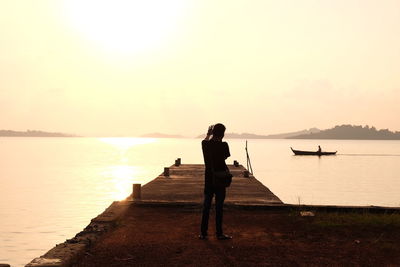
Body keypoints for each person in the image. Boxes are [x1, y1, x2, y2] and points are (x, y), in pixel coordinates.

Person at [199, 123, 232, 240]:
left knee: (206, 207)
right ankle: (219, 233)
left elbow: (205, 141)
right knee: (219, 207)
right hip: (220, 179)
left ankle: (203, 233)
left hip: (209, 179)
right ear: (223, 134)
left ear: (213, 133)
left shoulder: (205, 145)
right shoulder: (224, 145)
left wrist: (208, 134)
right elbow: (225, 157)